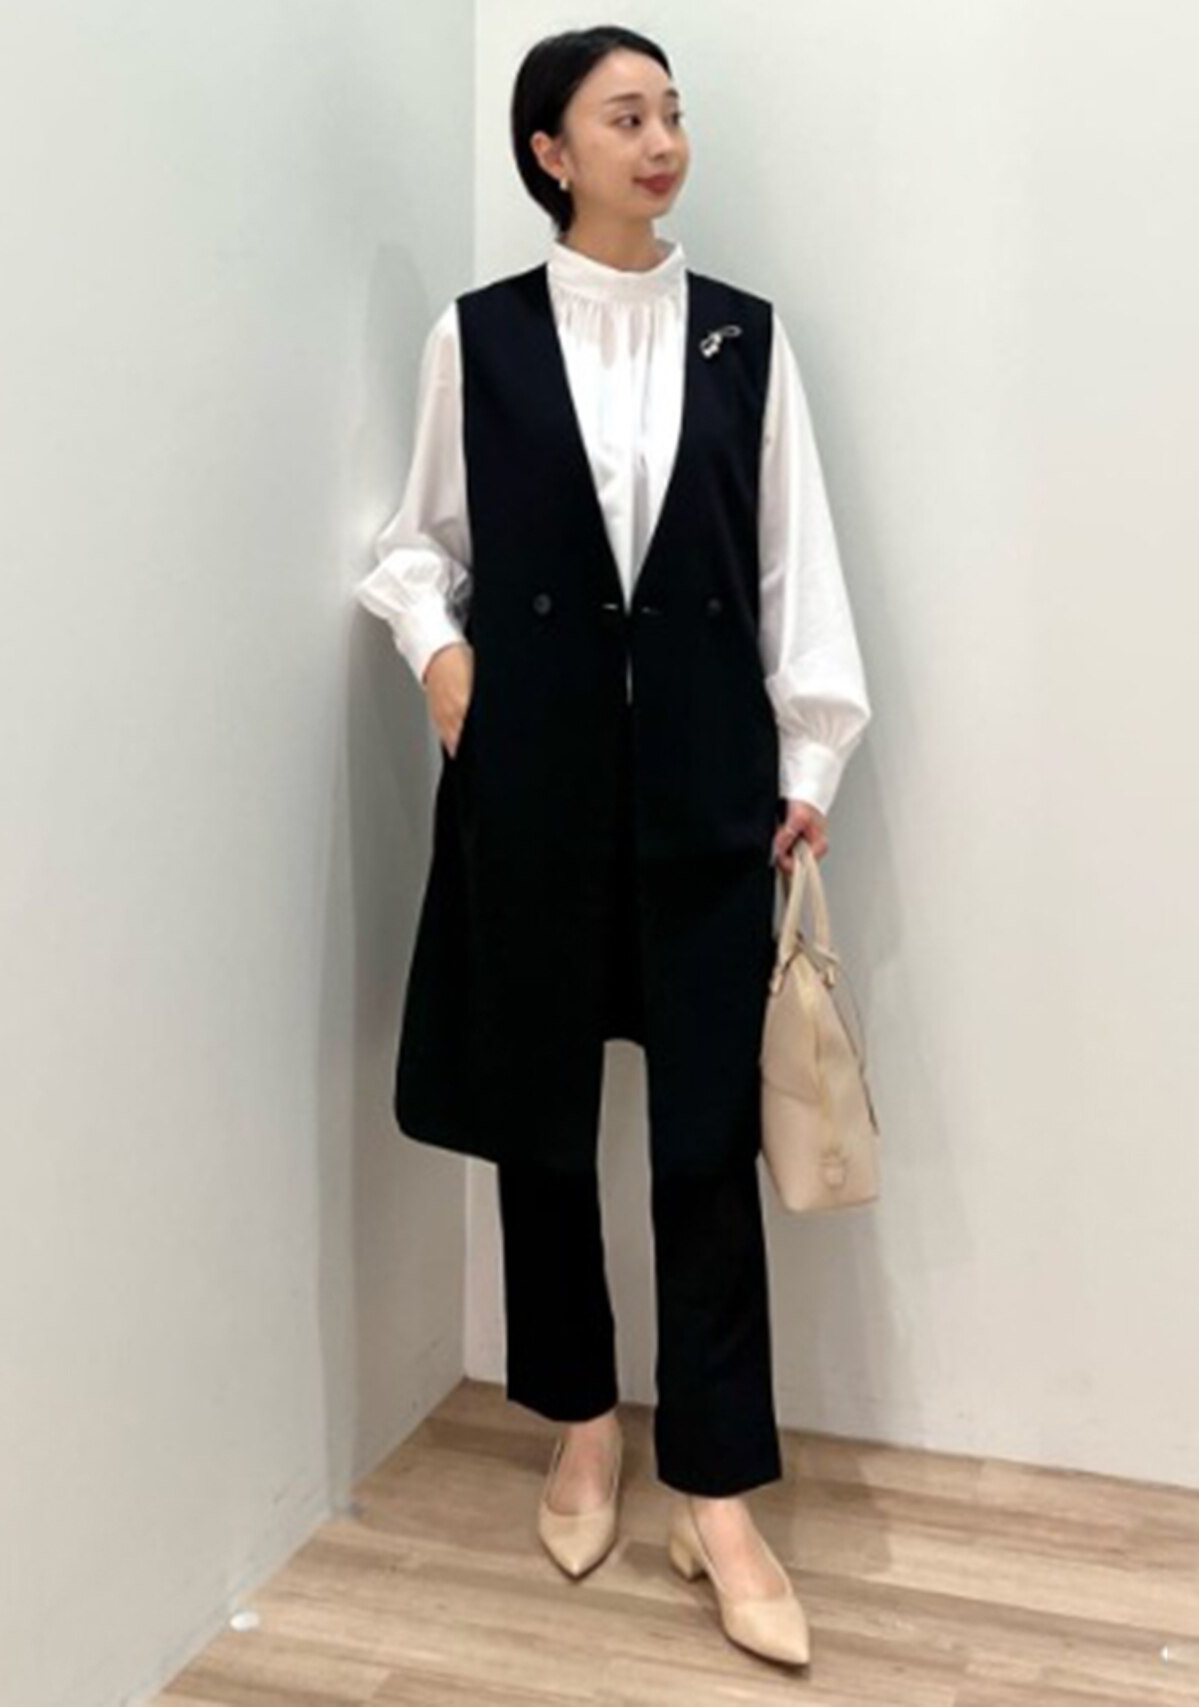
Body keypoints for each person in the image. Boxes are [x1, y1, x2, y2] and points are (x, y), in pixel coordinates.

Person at [355, 25, 871, 1671]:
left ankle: (717, 1495)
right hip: (534, 787)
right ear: (549, 152)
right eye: (624, 116)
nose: (661, 141)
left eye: (672, 114)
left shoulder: (746, 339)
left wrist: (810, 756)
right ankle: (580, 1424)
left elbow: (794, 563)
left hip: (711, 791)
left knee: (708, 1138)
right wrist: (443, 662)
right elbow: (414, 544)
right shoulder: (480, 337)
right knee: (543, 1119)